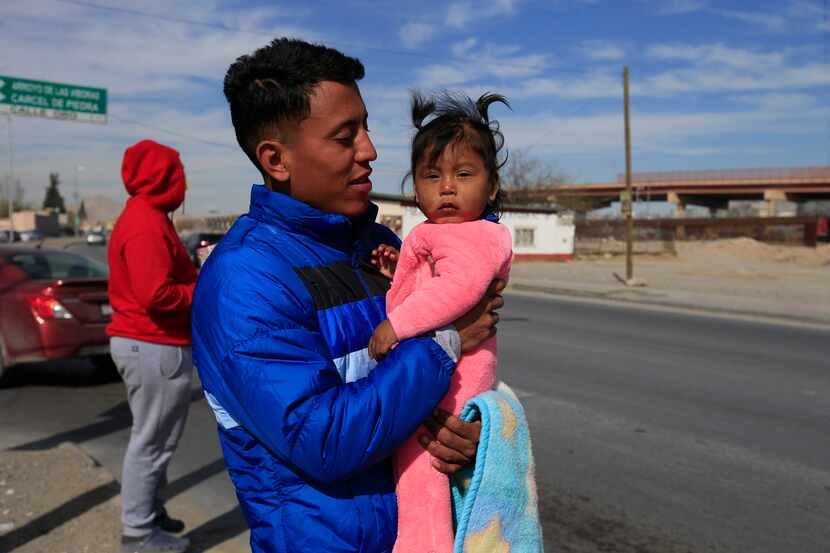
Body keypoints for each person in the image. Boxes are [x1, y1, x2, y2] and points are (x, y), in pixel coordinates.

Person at [191, 38, 504, 553]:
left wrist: (469, 436)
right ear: (277, 159)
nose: (370, 150)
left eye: (366, 126)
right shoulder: (245, 280)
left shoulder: (381, 246)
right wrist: (444, 342)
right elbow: (324, 440)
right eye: (345, 136)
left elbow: (424, 388)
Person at [367, 91, 513, 553]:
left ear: (491, 187)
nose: (447, 187)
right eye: (433, 176)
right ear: (416, 188)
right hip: (447, 367)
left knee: (419, 473)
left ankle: (422, 545)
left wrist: (397, 324)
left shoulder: (477, 235)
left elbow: (458, 291)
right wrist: (401, 276)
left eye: (463, 174)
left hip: (457, 375)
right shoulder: (447, 233)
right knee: (427, 473)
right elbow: (436, 281)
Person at [108, 139, 197, 553]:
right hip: (152, 345)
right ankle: (139, 533)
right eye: (178, 174)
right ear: (164, 177)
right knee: (152, 442)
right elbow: (156, 294)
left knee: (154, 437)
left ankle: (150, 513)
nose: (184, 183)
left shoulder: (148, 218)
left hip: (149, 344)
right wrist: (204, 289)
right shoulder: (145, 224)